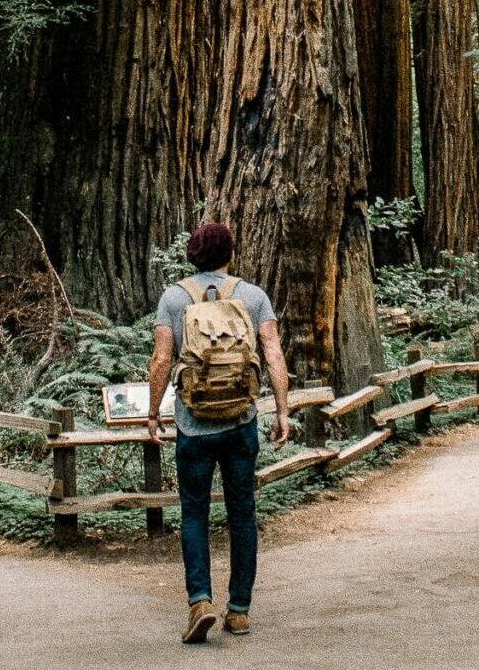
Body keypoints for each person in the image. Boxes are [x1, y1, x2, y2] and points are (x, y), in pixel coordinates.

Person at [147, 221, 293, 644]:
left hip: (193, 426)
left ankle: (199, 601)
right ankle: (240, 611)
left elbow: (160, 361)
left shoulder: (174, 298)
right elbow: (273, 352)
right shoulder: (252, 296)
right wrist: (282, 410)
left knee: (193, 514)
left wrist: (154, 413)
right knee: (242, 514)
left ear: (192, 254)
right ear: (230, 253)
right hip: (241, 423)